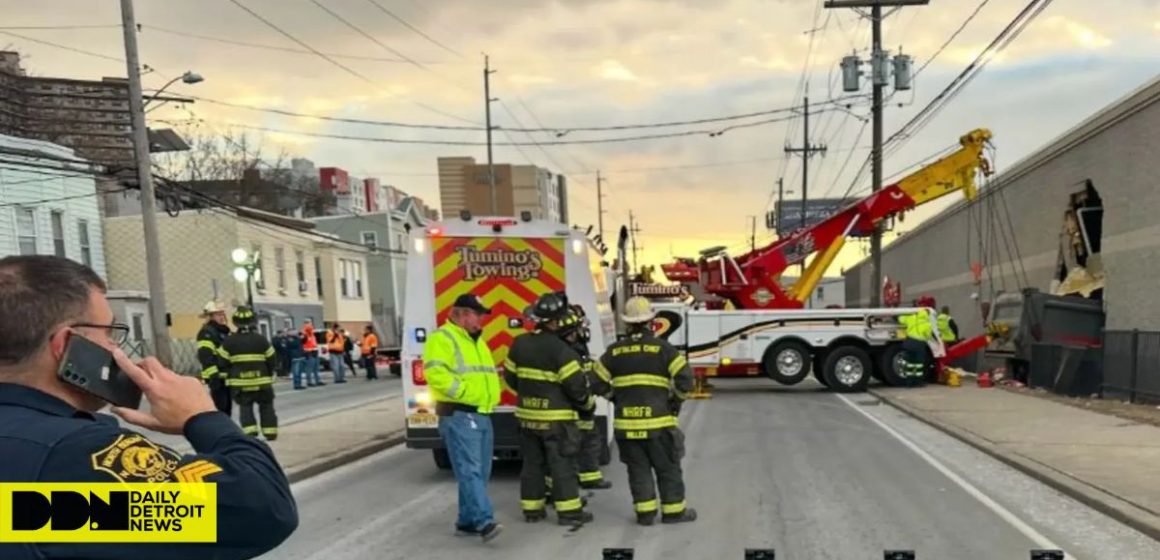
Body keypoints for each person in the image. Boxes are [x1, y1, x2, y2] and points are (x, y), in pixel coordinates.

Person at [0, 255, 297, 559]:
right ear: (66, 344)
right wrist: (202, 417)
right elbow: (261, 508)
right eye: (109, 334)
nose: (116, 349)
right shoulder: (71, 458)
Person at [596, 296, 697, 525]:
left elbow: (595, 380)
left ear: (627, 324)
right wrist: (675, 401)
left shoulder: (614, 352)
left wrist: (614, 397)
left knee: (637, 470)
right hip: (658, 424)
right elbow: (686, 380)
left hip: (626, 427)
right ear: (652, 322)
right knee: (667, 468)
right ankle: (673, 512)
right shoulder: (663, 349)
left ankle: (645, 513)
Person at [504, 292, 595, 527]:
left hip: (526, 418)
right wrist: (587, 407)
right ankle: (569, 513)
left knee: (532, 464)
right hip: (556, 420)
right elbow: (577, 389)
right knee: (561, 464)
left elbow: (511, 379)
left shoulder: (520, 343)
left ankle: (532, 510)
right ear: (556, 321)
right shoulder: (562, 350)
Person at [422, 293, 503, 542]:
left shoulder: (474, 340)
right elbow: (435, 374)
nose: (481, 320)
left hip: (481, 412)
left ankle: (466, 521)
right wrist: (466, 393)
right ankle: (483, 521)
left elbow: (475, 373)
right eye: (478, 314)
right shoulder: (443, 338)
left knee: (481, 471)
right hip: (460, 413)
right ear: (463, 314)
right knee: (471, 471)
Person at [560, 303, 613, 490]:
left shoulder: (573, 345)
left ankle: (588, 476)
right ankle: (586, 477)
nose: (583, 329)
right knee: (585, 440)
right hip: (576, 403)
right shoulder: (570, 347)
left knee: (588, 439)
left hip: (579, 401)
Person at [218, 306, 279, 441]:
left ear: (235, 322)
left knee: (245, 408)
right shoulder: (261, 340)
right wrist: (269, 373)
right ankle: (270, 432)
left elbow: (222, 362)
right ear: (253, 321)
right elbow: (272, 359)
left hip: (240, 384)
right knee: (267, 407)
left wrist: (228, 374)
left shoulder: (229, 342)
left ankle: (250, 433)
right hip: (262, 382)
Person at [196, 300, 232, 416]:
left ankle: (226, 431)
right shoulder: (207, 332)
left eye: (222, 314)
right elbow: (205, 355)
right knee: (220, 409)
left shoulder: (223, 331)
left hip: (226, 377)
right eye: (218, 314)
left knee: (227, 409)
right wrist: (213, 376)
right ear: (210, 317)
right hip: (216, 377)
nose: (221, 317)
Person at [301, 320, 322, 387]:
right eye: (310, 325)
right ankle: (309, 382)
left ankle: (318, 380)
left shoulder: (312, 334)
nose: (311, 326)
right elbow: (303, 343)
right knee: (309, 368)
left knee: (316, 368)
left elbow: (314, 343)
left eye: (311, 325)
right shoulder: (304, 334)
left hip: (314, 351)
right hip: (309, 352)